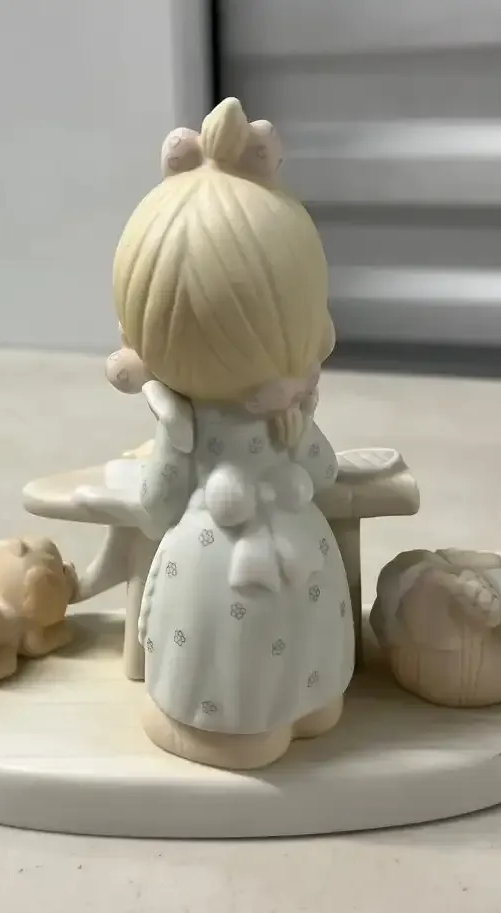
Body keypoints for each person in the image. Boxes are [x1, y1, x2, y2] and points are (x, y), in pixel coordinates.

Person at [112, 97, 354, 769]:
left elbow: (158, 505)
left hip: (215, 570)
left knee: (230, 674)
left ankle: (227, 728)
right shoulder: (282, 416)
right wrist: (297, 418)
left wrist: (164, 444)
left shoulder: (186, 424)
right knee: (304, 673)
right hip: (299, 551)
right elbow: (323, 470)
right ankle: (309, 705)